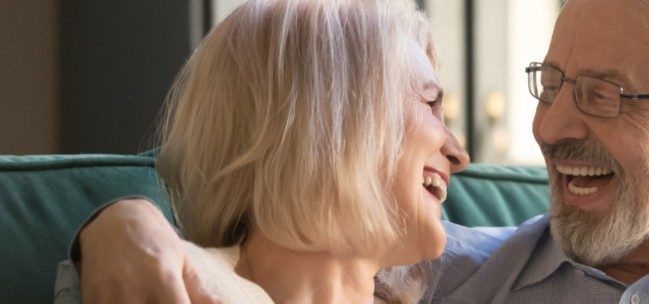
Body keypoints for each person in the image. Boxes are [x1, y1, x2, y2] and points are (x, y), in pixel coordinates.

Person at [64, 0, 649, 302]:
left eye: (601, 93)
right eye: (550, 83)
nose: (547, 130)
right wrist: (122, 224)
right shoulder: (441, 274)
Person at [51, 0, 469, 302]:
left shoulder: (473, 281)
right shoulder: (165, 277)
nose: (458, 153)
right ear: (328, 122)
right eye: (429, 104)